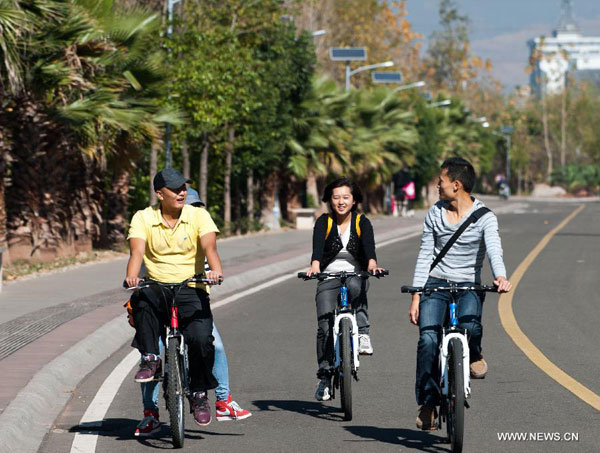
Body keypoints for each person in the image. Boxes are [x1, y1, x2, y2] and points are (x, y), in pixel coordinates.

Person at [133, 187, 251, 437]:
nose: (195, 212)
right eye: (191, 207)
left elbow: (213, 259)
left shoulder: (201, 231)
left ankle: (221, 400)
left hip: (193, 301)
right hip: (162, 297)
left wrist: (214, 273)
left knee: (211, 345)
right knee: (151, 353)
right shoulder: (161, 233)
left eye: (198, 208)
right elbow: (142, 260)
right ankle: (149, 413)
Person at [408, 157, 512, 430]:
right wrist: (417, 294)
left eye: (440, 181)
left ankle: (474, 354)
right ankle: (428, 403)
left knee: (470, 326)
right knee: (429, 339)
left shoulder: (485, 217)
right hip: (436, 284)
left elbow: (494, 249)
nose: (437, 186)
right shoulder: (434, 214)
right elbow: (424, 256)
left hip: (468, 285)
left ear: (456, 185)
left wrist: (500, 275)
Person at [125, 168, 222, 427]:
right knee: (141, 299)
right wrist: (133, 278)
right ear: (159, 193)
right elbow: (136, 252)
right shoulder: (143, 217)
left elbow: (209, 247)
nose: (182, 193)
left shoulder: (198, 215)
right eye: (175, 189)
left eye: (183, 188)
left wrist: (216, 271)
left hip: (192, 286)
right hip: (157, 285)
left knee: (202, 339)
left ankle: (199, 394)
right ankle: (151, 358)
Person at [306, 177, 385, 401]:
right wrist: (314, 267)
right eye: (336, 197)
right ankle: (324, 376)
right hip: (328, 275)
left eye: (346, 197)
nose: (341, 202)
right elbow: (317, 249)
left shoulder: (362, 222)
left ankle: (363, 335)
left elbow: (369, 247)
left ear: (354, 200)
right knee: (323, 325)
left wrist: (372, 264)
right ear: (330, 201)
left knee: (355, 285)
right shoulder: (324, 222)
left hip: (355, 272)